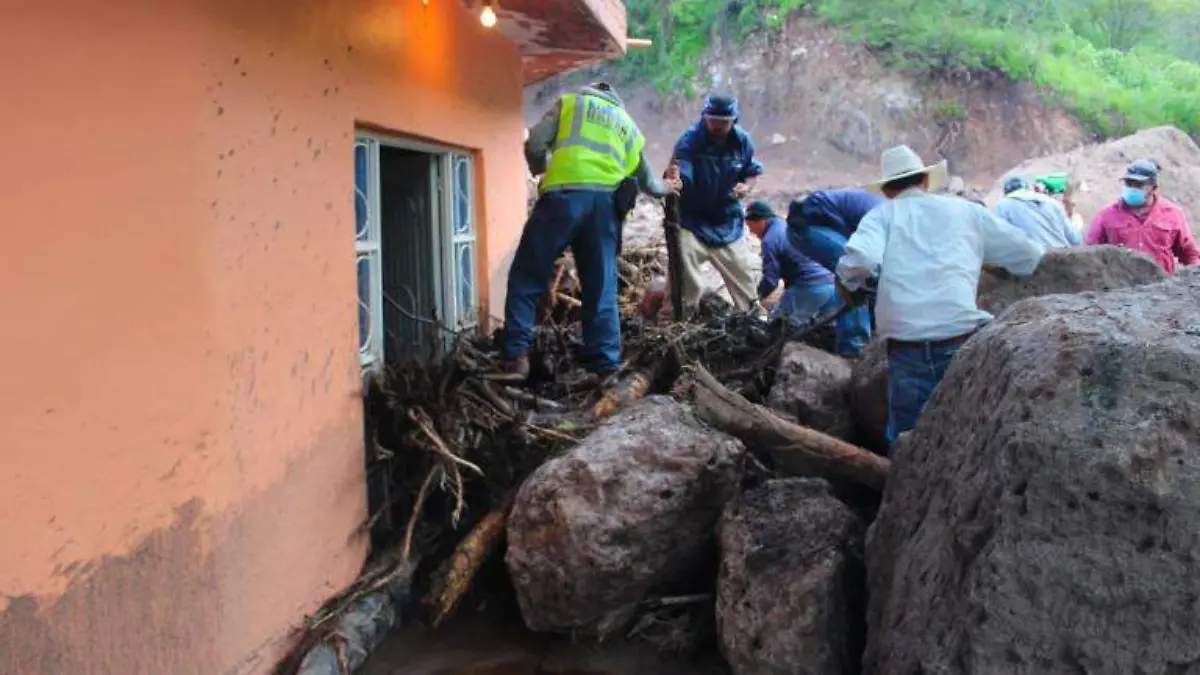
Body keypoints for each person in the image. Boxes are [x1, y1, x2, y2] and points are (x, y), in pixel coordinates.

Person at [836, 146, 1044, 448]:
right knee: (971, 436)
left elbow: (862, 261)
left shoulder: (881, 217)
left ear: (887, 190)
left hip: (907, 348)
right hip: (963, 340)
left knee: (910, 441)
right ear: (924, 181)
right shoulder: (964, 210)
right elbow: (1027, 255)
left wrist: (848, 283)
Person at [504, 82, 666, 382]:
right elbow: (650, 184)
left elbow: (535, 143)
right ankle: (605, 367)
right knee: (601, 287)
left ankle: (516, 358)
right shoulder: (627, 123)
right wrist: (671, 187)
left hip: (562, 200)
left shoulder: (570, 104)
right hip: (605, 209)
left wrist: (539, 168)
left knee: (527, 276)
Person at [663, 94, 765, 315]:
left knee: (744, 280)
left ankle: (753, 323)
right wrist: (679, 182)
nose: (718, 126)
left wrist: (746, 187)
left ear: (733, 121)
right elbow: (682, 169)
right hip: (693, 221)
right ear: (704, 118)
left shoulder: (743, 142)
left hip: (727, 221)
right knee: (685, 279)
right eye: (713, 120)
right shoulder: (689, 140)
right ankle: (679, 322)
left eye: (724, 122)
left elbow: (752, 172)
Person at [784, 188, 883, 356]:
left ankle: (866, 334)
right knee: (854, 271)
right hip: (807, 225)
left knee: (866, 276)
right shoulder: (889, 219)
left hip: (825, 225)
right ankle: (853, 349)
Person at [1085, 159, 1200, 273]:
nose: (1132, 189)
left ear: (1153, 188)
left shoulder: (1173, 215)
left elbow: (1190, 254)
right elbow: (1089, 253)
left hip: (1161, 286)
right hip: (1121, 287)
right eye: (1129, 183)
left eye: (1139, 185)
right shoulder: (1106, 216)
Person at [744, 201, 839, 329]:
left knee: (775, 327)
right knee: (825, 330)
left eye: (751, 226)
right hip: (832, 284)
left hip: (809, 287)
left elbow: (771, 281)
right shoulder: (785, 225)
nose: (751, 232)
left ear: (761, 221)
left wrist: (755, 300)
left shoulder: (770, 240)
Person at [993, 174, 1081, 248]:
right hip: (1063, 259)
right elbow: (1075, 239)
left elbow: (999, 241)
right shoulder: (1051, 202)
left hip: (1034, 261)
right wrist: (1076, 221)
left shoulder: (1002, 206)